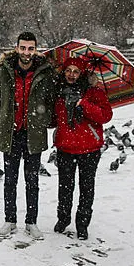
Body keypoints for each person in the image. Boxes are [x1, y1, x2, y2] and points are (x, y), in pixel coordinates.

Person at [0, 31, 56, 239]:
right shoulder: (5, 70)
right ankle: (10, 220)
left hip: (33, 135)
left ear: (36, 49)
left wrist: (42, 120)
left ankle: (31, 222)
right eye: (23, 48)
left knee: (32, 180)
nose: (27, 52)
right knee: (10, 179)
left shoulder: (44, 72)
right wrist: (2, 119)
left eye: (31, 48)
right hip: (11, 134)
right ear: (17, 48)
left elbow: (51, 102)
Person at [52, 57, 113, 240]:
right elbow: (54, 118)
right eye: (68, 70)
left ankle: (82, 223)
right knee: (64, 187)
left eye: (76, 71)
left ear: (82, 74)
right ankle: (63, 219)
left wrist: (84, 105)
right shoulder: (59, 91)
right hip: (65, 147)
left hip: (89, 148)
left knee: (87, 188)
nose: (71, 74)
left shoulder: (94, 92)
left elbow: (105, 116)